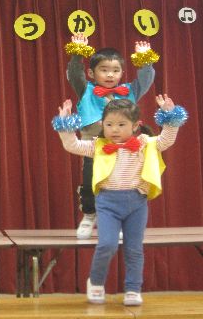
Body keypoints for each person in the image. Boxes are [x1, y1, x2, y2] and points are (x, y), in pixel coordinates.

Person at [53, 94, 187, 306]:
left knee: (134, 248)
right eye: (109, 124)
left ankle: (133, 289)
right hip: (107, 204)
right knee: (107, 245)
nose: (114, 129)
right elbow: (73, 145)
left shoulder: (144, 144)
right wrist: (65, 124)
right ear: (102, 125)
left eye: (121, 124)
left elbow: (166, 140)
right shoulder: (98, 146)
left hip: (137, 203)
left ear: (136, 126)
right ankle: (96, 282)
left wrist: (170, 116)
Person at [65, 34, 158, 239]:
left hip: (126, 150)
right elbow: (74, 74)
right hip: (94, 147)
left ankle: (119, 221)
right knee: (90, 181)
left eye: (115, 70)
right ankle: (89, 215)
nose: (110, 75)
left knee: (123, 186)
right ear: (92, 72)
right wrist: (77, 55)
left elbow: (146, 79)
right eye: (104, 70)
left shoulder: (130, 90)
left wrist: (145, 61)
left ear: (122, 73)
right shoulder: (86, 90)